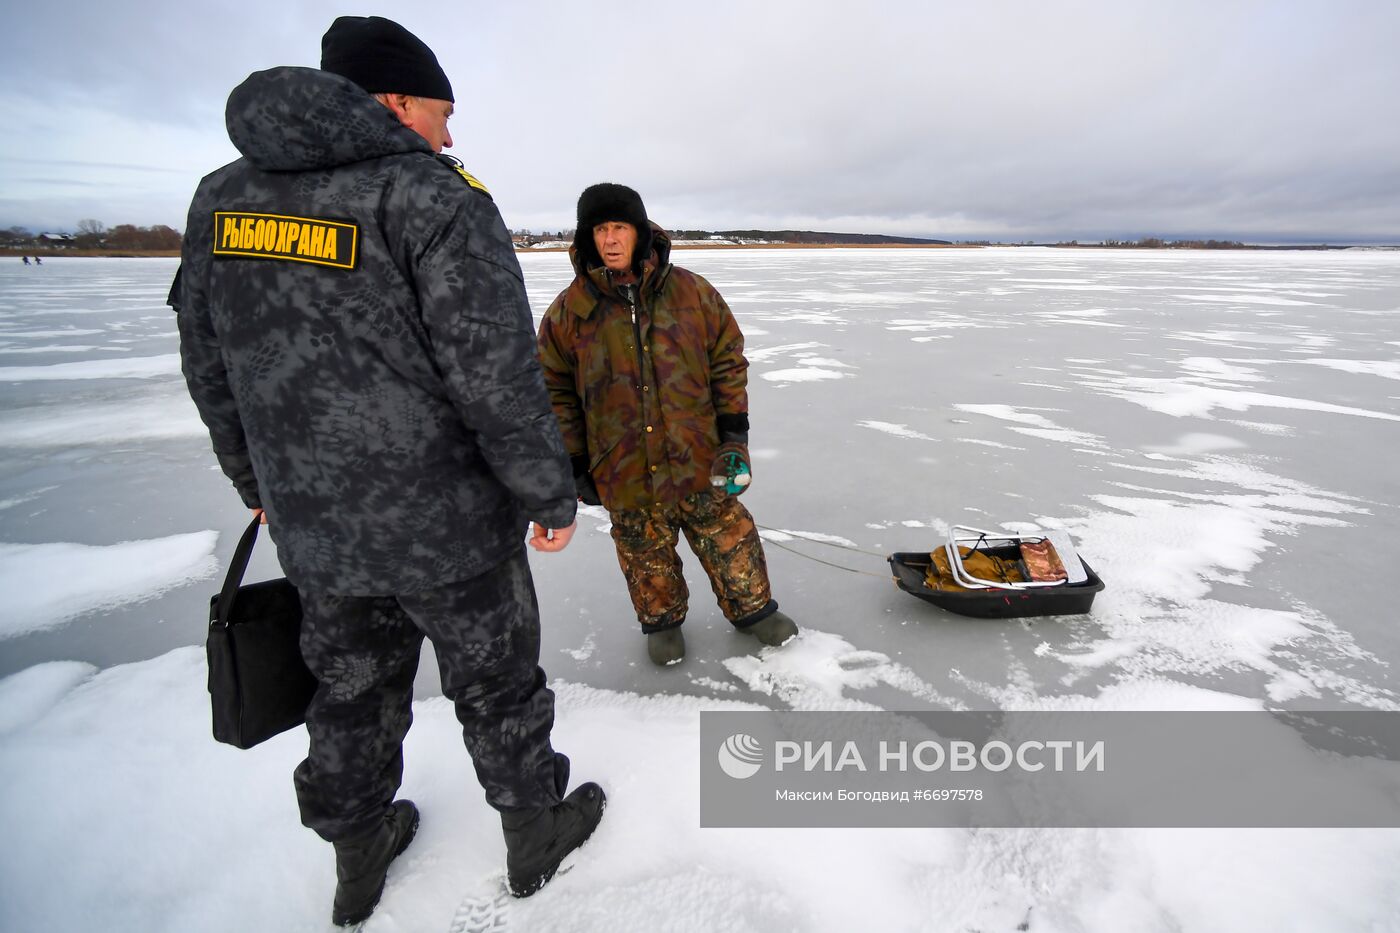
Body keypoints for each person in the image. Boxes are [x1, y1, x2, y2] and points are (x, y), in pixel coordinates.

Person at [170, 16, 604, 926]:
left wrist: (256, 483)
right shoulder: (429, 196)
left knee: (351, 687)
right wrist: (546, 491)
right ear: (399, 102)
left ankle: (356, 853)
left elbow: (207, 362)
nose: (451, 134)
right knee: (497, 682)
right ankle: (535, 831)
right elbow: (494, 373)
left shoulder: (220, 198)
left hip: (317, 525)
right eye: (443, 113)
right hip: (449, 525)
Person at [537, 183, 800, 666]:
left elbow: (727, 360)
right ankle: (662, 622)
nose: (610, 239)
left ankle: (754, 610)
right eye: (600, 229)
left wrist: (734, 435)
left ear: (638, 232)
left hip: (699, 454)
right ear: (587, 238)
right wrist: (574, 462)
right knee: (643, 550)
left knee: (729, 534)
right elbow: (554, 392)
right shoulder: (569, 312)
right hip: (621, 464)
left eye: (619, 227)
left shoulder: (692, 293)